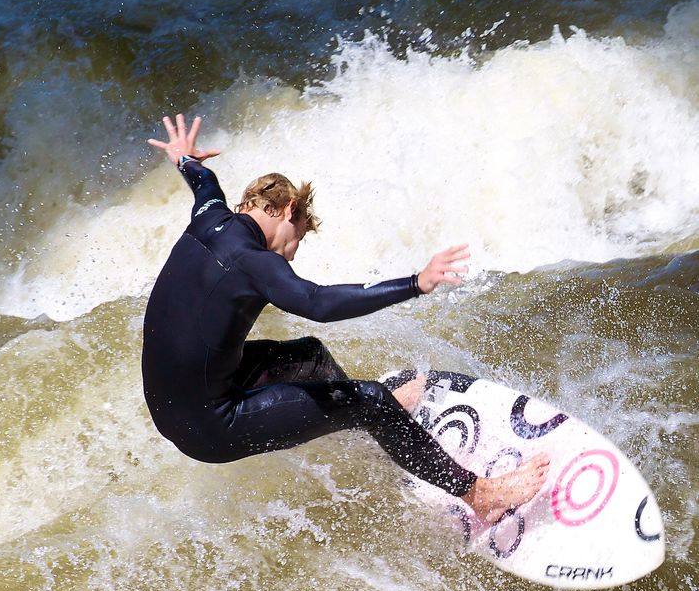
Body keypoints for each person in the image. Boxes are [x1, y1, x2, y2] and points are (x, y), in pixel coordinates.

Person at [142, 114, 547, 523]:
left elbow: (204, 182)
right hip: (210, 427)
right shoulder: (255, 262)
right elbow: (317, 303)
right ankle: (478, 493)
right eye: (298, 235)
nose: (293, 251)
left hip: (169, 406)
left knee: (309, 356)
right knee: (370, 399)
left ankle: (370, 428)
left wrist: (185, 159)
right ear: (288, 210)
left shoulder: (210, 216)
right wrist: (415, 283)